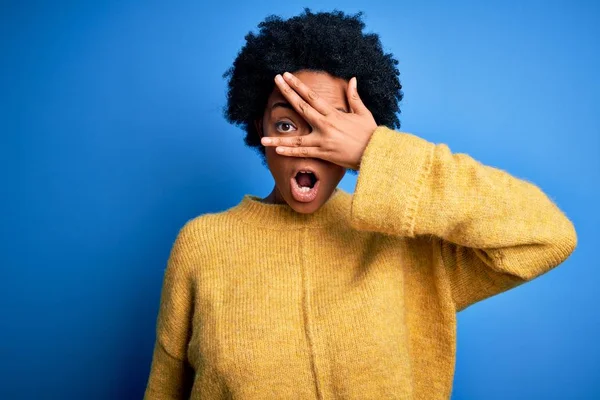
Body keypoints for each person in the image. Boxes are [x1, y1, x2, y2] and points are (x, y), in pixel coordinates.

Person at [143, 9, 577, 400]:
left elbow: (548, 235)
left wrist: (378, 152)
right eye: (288, 123)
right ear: (259, 126)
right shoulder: (202, 245)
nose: (307, 145)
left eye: (331, 127)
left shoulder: (404, 239)